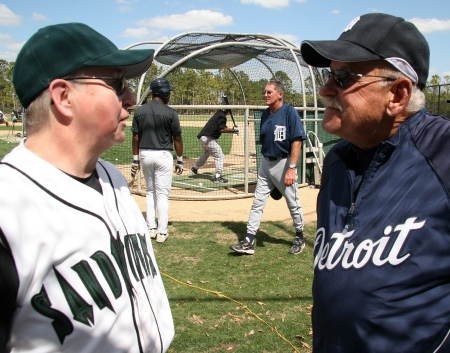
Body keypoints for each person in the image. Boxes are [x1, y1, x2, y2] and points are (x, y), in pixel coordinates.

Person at [0, 23, 174, 352]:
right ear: (64, 97)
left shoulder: (113, 177)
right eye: (117, 82)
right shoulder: (8, 211)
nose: (130, 98)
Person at [299, 13, 450, 352]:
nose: (325, 89)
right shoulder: (337, 162)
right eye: (328, 74)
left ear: (397, 94)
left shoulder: (443, 154)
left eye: (342, 77)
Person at [230, 80, 306, 255]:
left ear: (280, 94)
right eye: (265, 92)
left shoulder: (289, 112)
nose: (265, 95)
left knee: (292, 202)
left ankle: (300, 236)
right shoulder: (265, 114)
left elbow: (296, 141)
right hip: (266, 163)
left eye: (269, 92)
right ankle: (249, 240)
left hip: (284, 163)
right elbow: (265, 141)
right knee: (257, 202)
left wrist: (292, 168)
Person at [131, 78, 183, 243]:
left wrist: (135, 160)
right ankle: (162, 231)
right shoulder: (170, 112)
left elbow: (136, 137)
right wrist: (180, 160)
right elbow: (177, 138)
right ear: (164, 93)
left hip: (145, 154)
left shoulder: (140, 111)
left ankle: (150, 228)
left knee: (150, 192)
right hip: (163, 156)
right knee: (162, 194)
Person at [190, 109, 239, 183]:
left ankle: (195, 168)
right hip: (208, 139)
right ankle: (218, 177)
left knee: (206, 153)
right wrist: (233, 130)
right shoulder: (222, 116)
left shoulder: (218, 114)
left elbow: (222, 127)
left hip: (203, 138)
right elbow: (222, 129)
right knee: (220, 156)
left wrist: (232, 130)